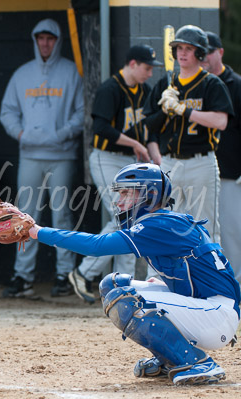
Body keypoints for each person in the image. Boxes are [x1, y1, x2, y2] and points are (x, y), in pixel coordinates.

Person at [29, 163, 240, 385]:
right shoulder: (163, 221)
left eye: (127, 192)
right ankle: (169, 357)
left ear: (150, 195)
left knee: (125, 299)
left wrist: (37, 231)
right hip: (204, 308)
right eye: (120, 192)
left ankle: (198, 363)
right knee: (112, 284)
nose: (119, 200)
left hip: (216, 315)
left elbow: (96, 246)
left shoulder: (158, 224)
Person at [68, 45, 162, 304]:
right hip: (106, 157)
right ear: (132, 64)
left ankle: (125, 285)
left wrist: (153, 153)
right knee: (125, 217)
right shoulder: (110, 88)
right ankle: (83, 272)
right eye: (146, 67)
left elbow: (150, 129)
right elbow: (100, 127)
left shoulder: (145, 91)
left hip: (130, 161)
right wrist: (136, 145)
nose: (149, 72)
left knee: (131, 220)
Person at [0, 18, 84, 298]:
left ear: (58, 41)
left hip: (62, 155)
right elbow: (7, 112)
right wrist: (21, 134)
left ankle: (64, 275)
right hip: (31, 156)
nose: (45, 43)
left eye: (50, 39)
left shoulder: (72, 72)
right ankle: (22, 277)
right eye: (41, 39)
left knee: (62, 214)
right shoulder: (22, 74)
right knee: (24, 216)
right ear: (35, 41)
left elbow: (82, 113)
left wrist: (61, 134)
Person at [143, 25, 233, 245]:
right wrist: (165, 110)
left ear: (200, 53)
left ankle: (211, 278)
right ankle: (158, 278)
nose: (182, 53)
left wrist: (184, 110)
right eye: (179, 48)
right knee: (162, 225)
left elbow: (221, 121)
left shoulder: (211, 83)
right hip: (169, 163)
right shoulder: (166, 84)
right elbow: (149, 124)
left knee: (206, 227)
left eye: (189, 48)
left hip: (200, 163)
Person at [201, 31, 241, 284]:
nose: (202, 57)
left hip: (231, 173)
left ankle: (236, 286)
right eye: (199, 52)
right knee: (211, 233)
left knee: (232, 234)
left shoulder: (236, 84)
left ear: (220, 53)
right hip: (203, 169)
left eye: (207, 51)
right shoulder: (197, 84)